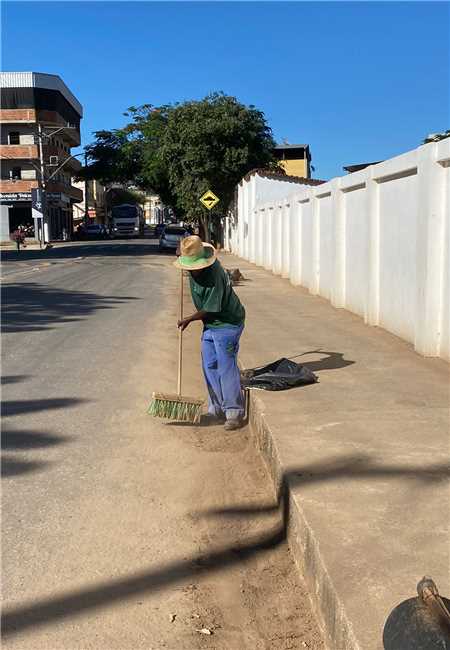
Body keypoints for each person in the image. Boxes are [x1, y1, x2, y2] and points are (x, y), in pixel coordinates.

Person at [174, 235, 245, 431]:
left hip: (227, 323)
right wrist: (182, 252)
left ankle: (233, 412)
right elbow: (183, 251)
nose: (191, 271)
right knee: (209, 365)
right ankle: (217, 409)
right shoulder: (191, 267)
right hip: (210, 325)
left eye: (193, 267)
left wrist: (189, 319)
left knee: (225, 366)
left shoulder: (215, 275)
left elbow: (212, 308)